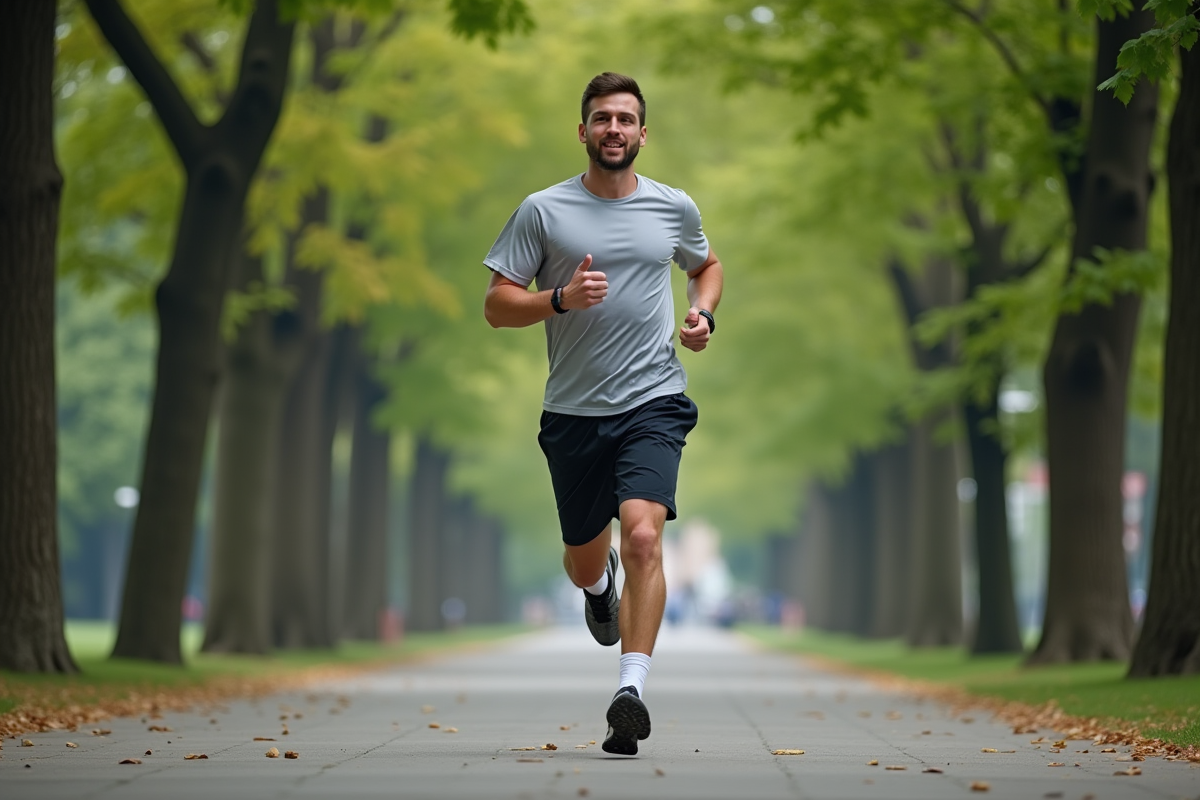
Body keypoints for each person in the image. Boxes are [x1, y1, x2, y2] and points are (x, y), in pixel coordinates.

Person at [482, 72, 723, 756]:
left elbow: (706, 266)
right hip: (573, 413)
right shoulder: (542, 211)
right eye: (601, 118)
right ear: (582, 130)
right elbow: (497, 306)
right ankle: (599, 587)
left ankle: (630, 692)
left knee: (644, 536)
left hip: (654, 400)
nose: (613, 128)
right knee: (585, 559)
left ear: (643, 132)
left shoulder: (673, 207)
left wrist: (703, 314)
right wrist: (559, 299)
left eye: (624, 118)